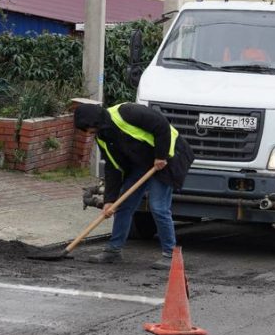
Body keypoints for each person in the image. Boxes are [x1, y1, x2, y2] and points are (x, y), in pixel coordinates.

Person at [74, 102, 194, 270]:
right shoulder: (103, 136)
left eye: (89, 128)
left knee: (158, 207)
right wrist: (110, 200)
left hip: (168, 157)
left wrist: (160, 155)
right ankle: (113, 251)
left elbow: (161, 126)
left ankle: (170, 255)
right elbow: (113, 168)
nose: (89, 133)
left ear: (95, 121)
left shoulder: (127, 112)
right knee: (123, 205)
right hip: (143, 163)